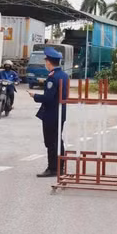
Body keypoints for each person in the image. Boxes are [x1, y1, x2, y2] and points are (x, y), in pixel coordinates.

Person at [29, 47, 69, 177]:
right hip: (60, 113)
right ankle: (60, 167)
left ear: (49, 62)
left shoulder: (52, 77)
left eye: (46, 61)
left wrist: (35, 96)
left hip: (51, 114)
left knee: (51, 142)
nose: (45, 63)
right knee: (58, 140)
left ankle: (52, 169)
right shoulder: (64, 75)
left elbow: (48, 98)